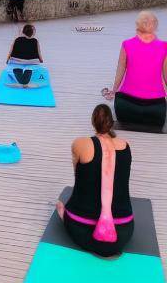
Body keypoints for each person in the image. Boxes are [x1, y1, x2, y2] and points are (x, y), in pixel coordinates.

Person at [56, 104, 133, 257]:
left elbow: (78, 178)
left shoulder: (80, 144)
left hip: (82, 228)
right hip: (123, 230)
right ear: (111, 122)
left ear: (93, 122)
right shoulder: (125, 145)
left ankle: (64, 213)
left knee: (60, 205)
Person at [102, 11, 167, 131]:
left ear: (137, 25)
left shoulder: (127, 44)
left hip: (126, 108)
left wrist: (114, 90)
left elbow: (120, 70)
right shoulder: (164, 46)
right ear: (156, 26)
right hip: (156, 110)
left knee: (119, 101)